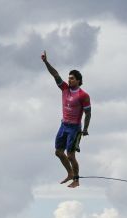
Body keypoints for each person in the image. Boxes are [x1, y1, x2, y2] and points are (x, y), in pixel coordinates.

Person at [41, 50, 91, 188]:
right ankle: (69, 173)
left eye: (72, 78)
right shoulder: (64, 89)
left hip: (74, 128)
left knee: (70, 155)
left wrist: (85, 129)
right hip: (63, 125)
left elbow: (88, 113)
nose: (69, 80)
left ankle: (76, 179)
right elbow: (55, 74)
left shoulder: (83, 95)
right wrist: (46, 62)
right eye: (69, 78)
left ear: (79, 81)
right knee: (58, 152)